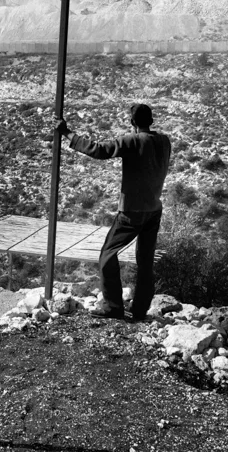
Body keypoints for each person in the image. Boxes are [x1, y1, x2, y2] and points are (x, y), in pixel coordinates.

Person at [57, 103, 171, 321]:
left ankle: (113, 306)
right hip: (154, 210)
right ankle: (139, 311)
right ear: (151, 120)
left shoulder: (132, 140)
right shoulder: (164, 141)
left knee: (107, 254)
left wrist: (67, 133)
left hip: (132, 211)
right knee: (145, 262)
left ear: (132, 122)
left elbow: (99, 150)